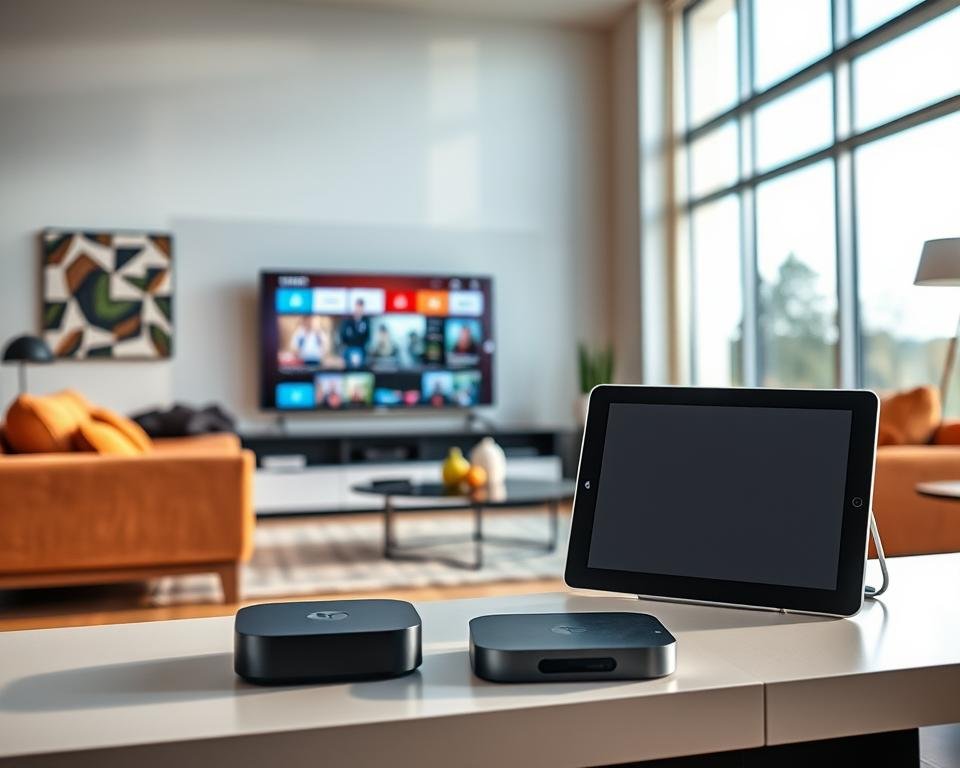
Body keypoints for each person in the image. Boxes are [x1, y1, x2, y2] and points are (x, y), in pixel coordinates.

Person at [339, 298, 371, 368]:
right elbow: (343, 335)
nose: (359, 309)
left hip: (361, 348)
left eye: (361, 307)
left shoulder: (366, 321)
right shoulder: (348, 320)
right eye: (358, 306)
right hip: (349, 348)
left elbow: (367, 336)